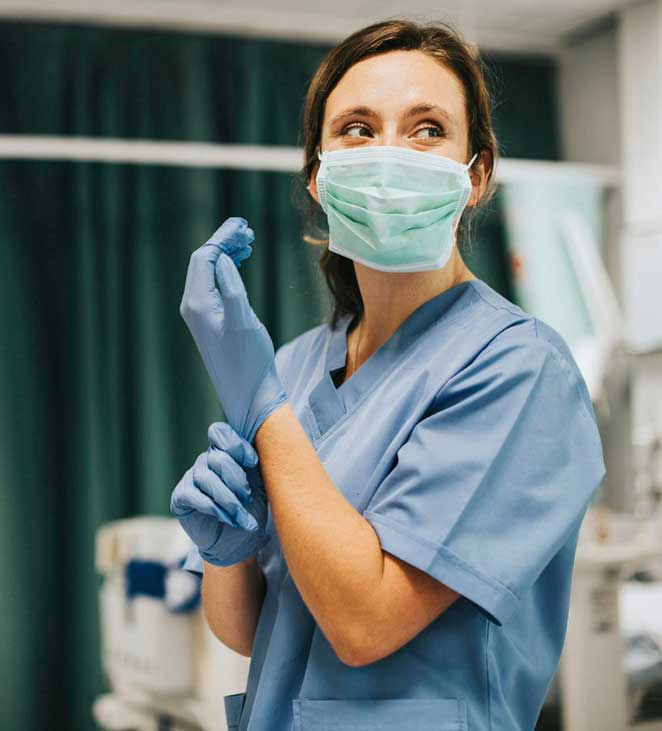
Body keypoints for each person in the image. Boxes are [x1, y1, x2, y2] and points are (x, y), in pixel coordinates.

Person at [169, 18, 607, 731]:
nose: (391, 154)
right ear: (318, 175)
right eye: (358, 129)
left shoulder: (520, 370)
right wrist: (228, 551)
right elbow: (259, 632)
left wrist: (263, 410)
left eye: (428, 128)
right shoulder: (295, 367)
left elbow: (364, 622)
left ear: (478, 175)